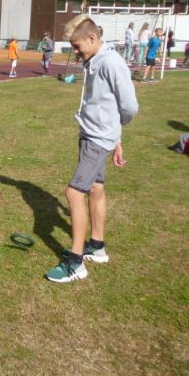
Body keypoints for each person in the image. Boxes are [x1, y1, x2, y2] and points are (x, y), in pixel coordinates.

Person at [46, 14, 138, 283]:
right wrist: (117, 140)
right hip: (93, 134)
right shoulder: (93, 60)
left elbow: (129, 106)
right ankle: (97, 246)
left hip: (97, 139)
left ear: (92, 38)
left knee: (74, 192)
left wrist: (111, 135)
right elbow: (107, 105)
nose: (75, 52)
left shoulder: (110, 62)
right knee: (96, 188)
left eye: (76, 46)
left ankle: (75, 263)